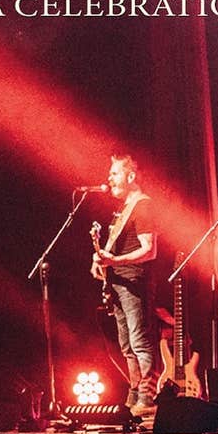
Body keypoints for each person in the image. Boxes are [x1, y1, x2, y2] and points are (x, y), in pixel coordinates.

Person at [91, 153, 160, 417]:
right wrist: (101, 261)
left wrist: (115, 260)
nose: (109, 178)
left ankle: (148, 397)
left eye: (115, 173)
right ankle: (135, 395)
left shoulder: (143, 205)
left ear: (131, 177)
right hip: (118, 282)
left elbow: (149, 250)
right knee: (127, 345)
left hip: (134, 282)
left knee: (140, 342)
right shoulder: (124, 209)